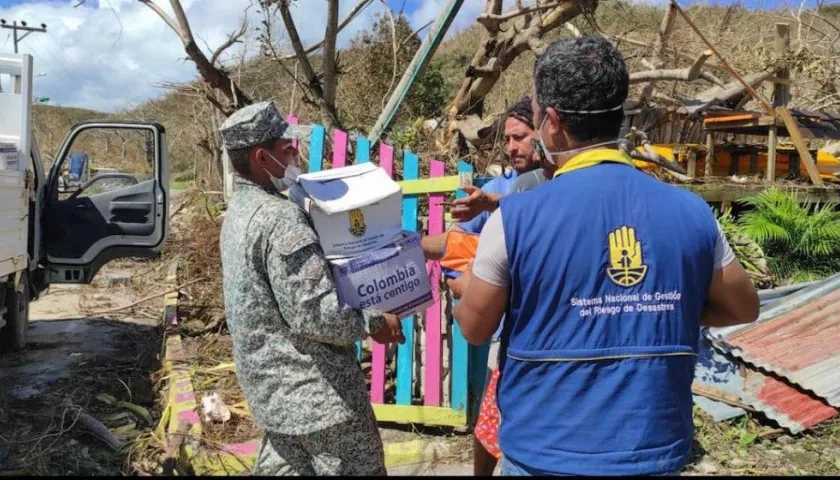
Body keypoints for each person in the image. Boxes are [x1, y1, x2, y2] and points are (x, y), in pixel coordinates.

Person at [451, 36, 761, 476]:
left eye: (535, 117)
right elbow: (742, 307)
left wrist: (463, 288)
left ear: (552, 122)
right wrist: (658, 308)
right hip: (653, 452)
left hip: (546, 453)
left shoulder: (515, 217)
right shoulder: (692, 212)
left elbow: (475, 328)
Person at [217, 101, 404, 476]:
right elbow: (317, 313)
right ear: (261, 157)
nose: (293, 150)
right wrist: (374, 321)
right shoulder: (279, 218)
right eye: (284, 145)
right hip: (320, 401)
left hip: (273, 399)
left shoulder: (237, 214)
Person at [422, 97, 543, 477]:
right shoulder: (498, 186)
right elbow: (457, 244)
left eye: (520, 137)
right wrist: (460, 279)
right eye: (507, 139)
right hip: (508, 331)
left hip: (547, 329)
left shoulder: (557, 183)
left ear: (545, 132)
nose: (511, 147)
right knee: (492, 418)